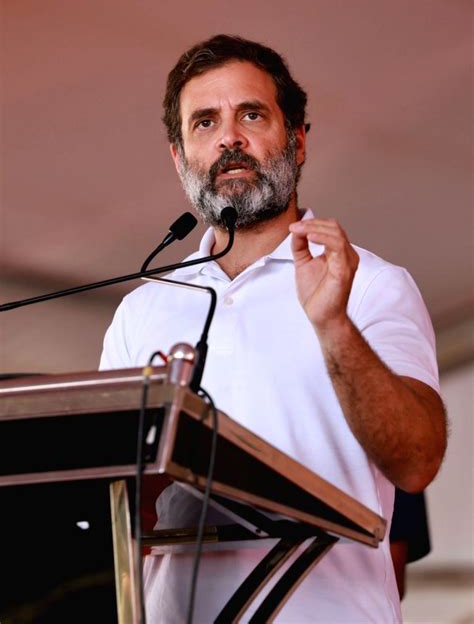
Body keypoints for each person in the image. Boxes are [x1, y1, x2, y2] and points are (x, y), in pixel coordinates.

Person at [100, 35, 447, 623]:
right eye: (204, 122)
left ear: (298, 139)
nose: (229, 137)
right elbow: (106, 497)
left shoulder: (369, 284)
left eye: (251, 114)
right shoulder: (143, 311)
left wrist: (331, 324)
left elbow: (415, 461)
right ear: (180, 158)